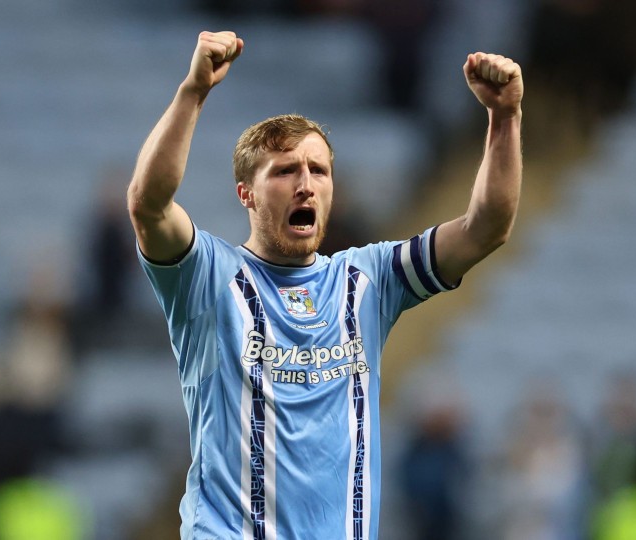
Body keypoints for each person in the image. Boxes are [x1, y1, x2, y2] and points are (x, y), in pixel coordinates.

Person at [127, 30, 522, 539]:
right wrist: (193, 92)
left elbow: (486, 228)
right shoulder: (206, 275)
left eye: (319, 170)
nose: (306, 183)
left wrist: (505, 117)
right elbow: (148, 205)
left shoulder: (369, 279)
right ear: (246, 193)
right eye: (286, 170)